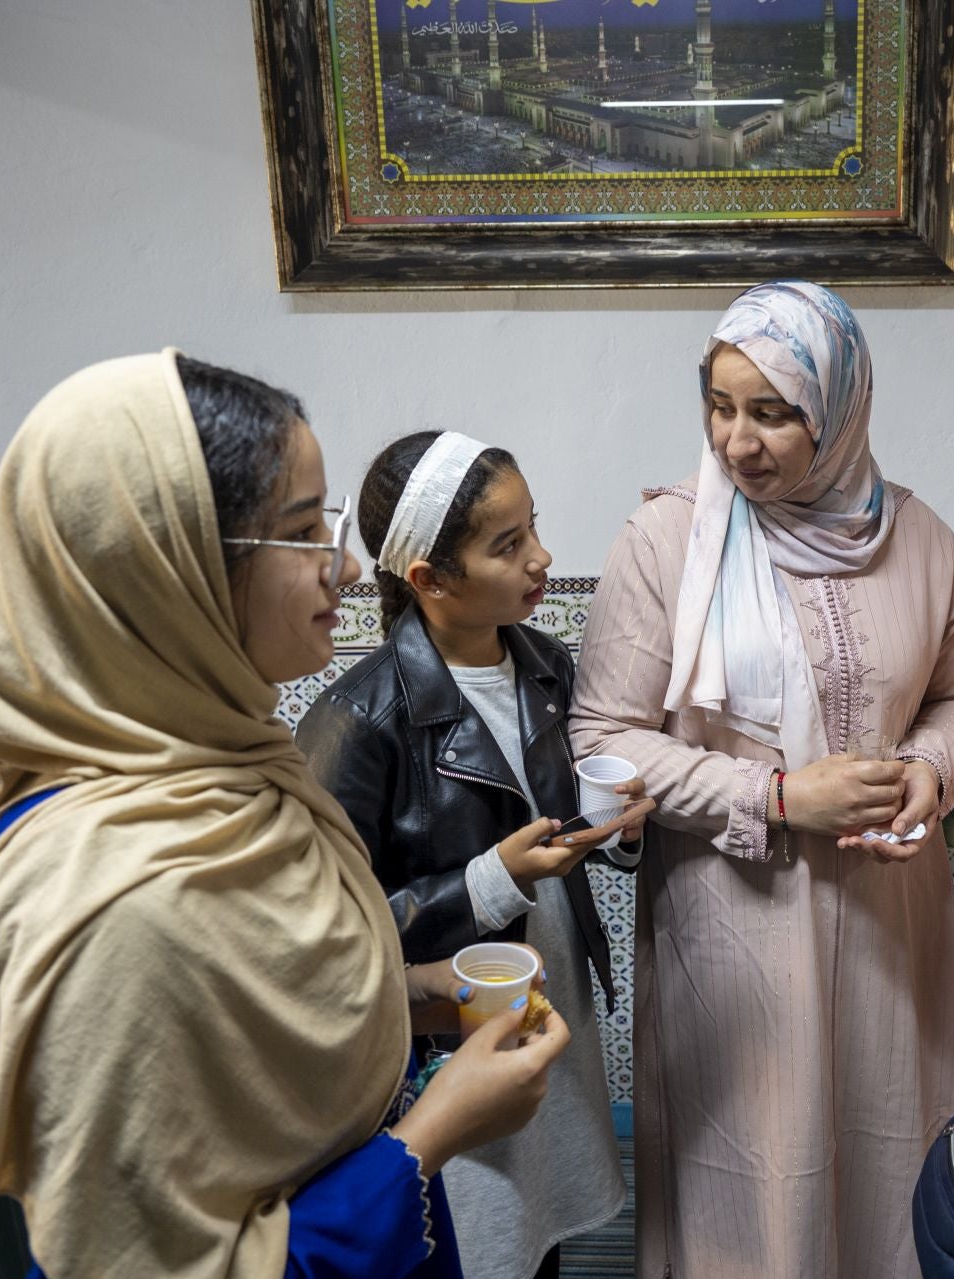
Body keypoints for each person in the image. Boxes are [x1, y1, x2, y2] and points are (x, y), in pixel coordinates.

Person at [0, 351, 570, 1278]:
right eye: (304, 532)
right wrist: (432, 1133)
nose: (344, 566)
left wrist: (424, 999)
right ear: (166, 573)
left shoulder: (236, 766)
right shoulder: (108, 909)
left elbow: (287, 999)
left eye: (330, 520)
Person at [569, 280, 954, 1278]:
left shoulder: (918, 538)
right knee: (752, 1181)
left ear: (838, 413)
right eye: (720, 406)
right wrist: (772, 797)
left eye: (771, 413)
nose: (735, 441)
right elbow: (604, 730)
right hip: (736, 929)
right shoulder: (667, 542)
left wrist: (933, 767)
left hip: (891, 925)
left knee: (889, 1154)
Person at [297, 430, 648, 1279]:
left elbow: (554, 831)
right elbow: (331, 937)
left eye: (534, 528)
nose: (542, 556)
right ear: (429, 579)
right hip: (439, 1039)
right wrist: (494, 878)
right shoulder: (358, 722)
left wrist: (620, 838)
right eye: (508, 544)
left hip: (545, 981)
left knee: (542, 1222)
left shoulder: (545, 668)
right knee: (473, 1229)